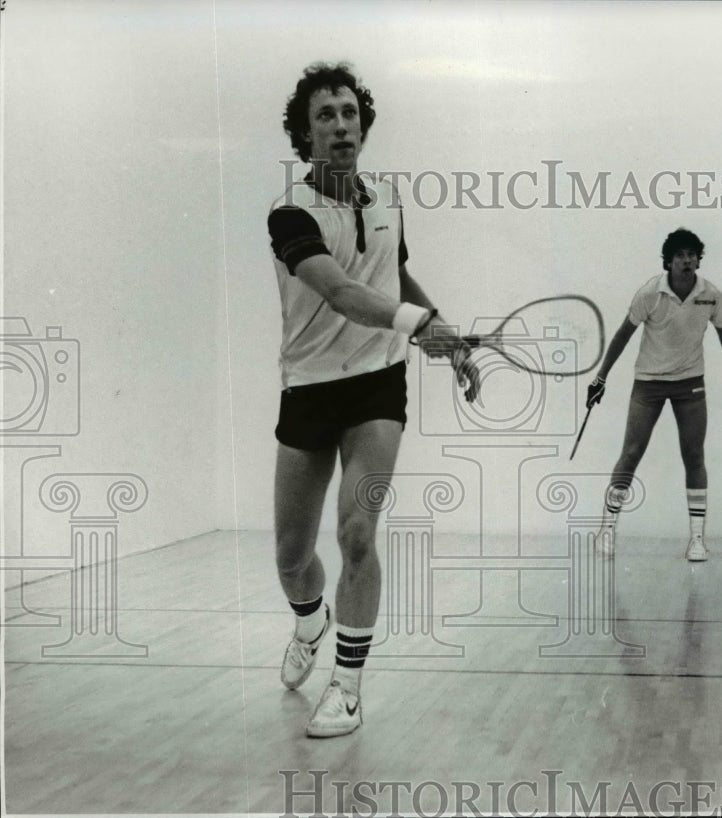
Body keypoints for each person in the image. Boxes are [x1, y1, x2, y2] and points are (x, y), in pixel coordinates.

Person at [266, 62, 479, 738]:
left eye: (349, 114)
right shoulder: (290, 211)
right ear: (305, 134)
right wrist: (422, 326)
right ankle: (309, 621)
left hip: (377, 386)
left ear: (364, 125)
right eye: (324, 116)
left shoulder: (387, 200)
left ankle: (348, 688)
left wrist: (441, 333)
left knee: (357, 532)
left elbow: (393, 275)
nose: (340, 126)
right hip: (308, 388)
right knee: (292, 557)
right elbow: (343, 293)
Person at [587, 227, 722, 562]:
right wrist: (601, 377)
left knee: (694, 457)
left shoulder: (711, 295)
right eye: (680, 255)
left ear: (697, 259)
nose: (687, 261)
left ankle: (697, 540)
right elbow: (622, 334)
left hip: (690, 382)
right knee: (631, 453)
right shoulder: (649, 293)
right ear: (669, 260)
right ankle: (607, 530)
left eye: (692, 255)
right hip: (648, 383)